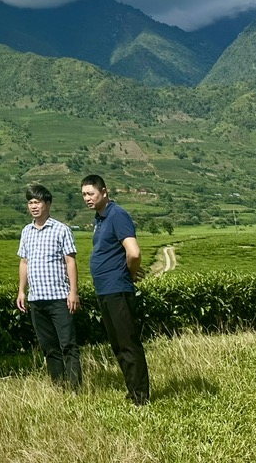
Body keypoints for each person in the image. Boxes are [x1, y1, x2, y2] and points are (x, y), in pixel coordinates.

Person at [81, 174, 150, 405]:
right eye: (84, 194)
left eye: (91, 193)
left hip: (117, 288)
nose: (87, 198)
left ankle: (141, 396)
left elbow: (134, 252)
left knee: (128, 343)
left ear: (104, 192)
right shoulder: (99, 218)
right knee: (118, 344)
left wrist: (128, 274)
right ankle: (132, 391)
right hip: (105, 290)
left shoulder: (117, 215)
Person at [16, 183, 81, 388]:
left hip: (60, 297)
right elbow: (24, 262)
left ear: (48, 204)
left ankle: (74, 388)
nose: (33, 206)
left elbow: (70, 261)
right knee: (49, 346)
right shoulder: (26, 231)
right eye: (30, 202)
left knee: (68, 344)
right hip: (37, 299)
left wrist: (73, 292)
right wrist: (21, 291)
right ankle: (58, 386)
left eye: (38, 202)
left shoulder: (61, 230)